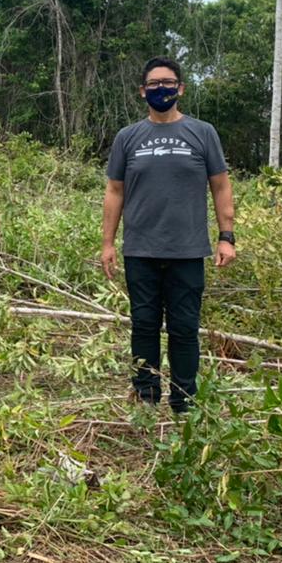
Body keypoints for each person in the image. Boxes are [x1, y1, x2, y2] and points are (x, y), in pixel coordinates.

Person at [101, 56, 235, 415]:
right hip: (140, 250)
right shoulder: (128, 138)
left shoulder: (202, 132)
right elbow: (115, 191)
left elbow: (220, 186)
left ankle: (184, 402)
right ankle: (145, 398)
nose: (162, 89)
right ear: (142, 91)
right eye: (154, 84)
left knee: (184, 329)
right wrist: (107, 243)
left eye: (168, 83)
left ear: (181, 88)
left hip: (188, 250)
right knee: (144, 325)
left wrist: (227, 236)